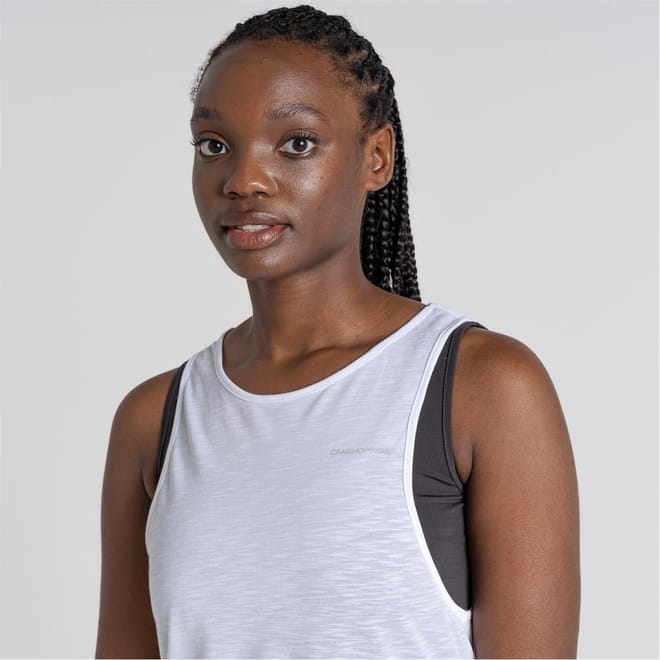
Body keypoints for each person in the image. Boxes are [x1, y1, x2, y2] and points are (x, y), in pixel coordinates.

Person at [95, 5, 580, 658]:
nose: (243, 181)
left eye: (296, 143)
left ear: (376, 157)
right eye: (214, 145)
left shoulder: (482, 388)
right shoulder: (154, 420)